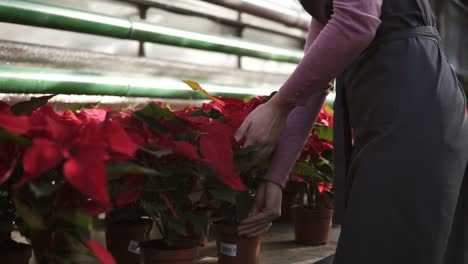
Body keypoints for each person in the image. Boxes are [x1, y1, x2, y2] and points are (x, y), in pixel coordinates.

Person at [235, 0, 468, 263]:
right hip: (403, 108)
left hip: (415, 110)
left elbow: (358, 21)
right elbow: (314, 80)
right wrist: (276, 177)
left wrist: (278, 106)